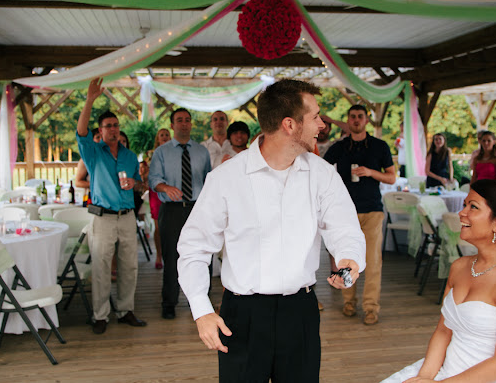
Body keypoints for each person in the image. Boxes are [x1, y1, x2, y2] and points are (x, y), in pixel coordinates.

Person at [177, 79, 366, 382]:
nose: (322, 125)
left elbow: (344, 228)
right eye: (315, 117)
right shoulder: (226, 178)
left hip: (301, 312)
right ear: (289, 124)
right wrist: (201, 309)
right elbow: (194, 247)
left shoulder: (322, 175)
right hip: (242, 316)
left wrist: (349, 258)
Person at [381, 180, 496, 382]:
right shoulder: (459, 267)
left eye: (473, 207)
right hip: (448, 368)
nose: (461, 213)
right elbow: (443, 332)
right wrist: (425, 376)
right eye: (464, 205)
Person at [77, 77, 147, 335]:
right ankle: (100, 315)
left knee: (129, 266)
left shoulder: (129, 156)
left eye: (116, 125)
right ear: (101, 130)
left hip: (127, 217)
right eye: (108, 126)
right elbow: (81, 132)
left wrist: (135, 183)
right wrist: (89, 100)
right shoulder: (93, 152)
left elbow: (140, 185)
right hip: (103, 218)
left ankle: (126, 310)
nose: (113, 129)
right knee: (101, 267)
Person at [323, 104, 396, 325]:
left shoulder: (379, 146)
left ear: (366, 120)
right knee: (345, 258)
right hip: (345, 213)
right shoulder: (339, 147)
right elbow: (322, 170)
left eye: (360, 116)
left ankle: (371, 307)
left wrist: (370, 172)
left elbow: (391, 177)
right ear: (348, 120)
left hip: (372, 209)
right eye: (352, 116)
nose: (356, 120)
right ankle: (349, 302)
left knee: (372, 262)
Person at [149, 108, 211, 319]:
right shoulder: (161, 152)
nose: (184, 124)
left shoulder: (202, 152)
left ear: (191, 124)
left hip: (197, 209)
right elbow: (153, 179)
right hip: (172, 210)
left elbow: (209, 180)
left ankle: (202, 304)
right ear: (172, 125)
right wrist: (166, 187)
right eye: (179, 120)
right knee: (172, 257)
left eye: (187, 120)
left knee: (203, 254)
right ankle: (169, 302)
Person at [148, 128, 171, 270]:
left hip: (171, 190)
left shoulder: (175, 152)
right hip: (156, 192)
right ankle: (158, 255)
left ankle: (171, 255)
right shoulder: (152, 155)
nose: (164, 137)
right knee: (158, 226)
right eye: (161, 135)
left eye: (167, 134)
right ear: (158, 138)